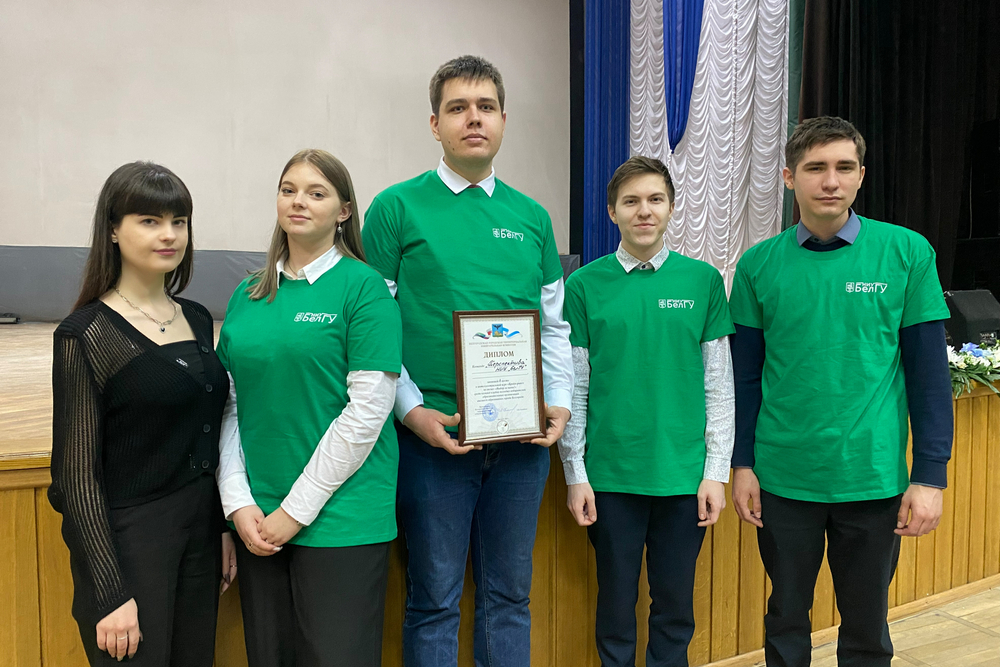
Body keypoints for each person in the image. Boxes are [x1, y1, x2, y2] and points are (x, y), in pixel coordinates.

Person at [361, 55, 574, 666]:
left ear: (504, 119)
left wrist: (558, 402)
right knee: (434, 601)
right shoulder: (395, 208)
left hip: (521, 445)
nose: (473, 119)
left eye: (485, 107)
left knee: (510, 597)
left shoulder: (532, 217)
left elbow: (553, 326)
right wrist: (411, 412)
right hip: (434, 442)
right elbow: (375, 330)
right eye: (457, 108)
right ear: (435, 124)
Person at [728, 116, 954, 667]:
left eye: (844, 167)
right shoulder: (758, 265)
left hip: (871, 478)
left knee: (867, 627)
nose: (830, 181)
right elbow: (745, 378)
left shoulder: (907, 253)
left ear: (860, 176)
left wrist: (930, 476)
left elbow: (929, 377)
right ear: (789, 177)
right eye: (815, 168)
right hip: (783, 479)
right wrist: (742, 464)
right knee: (785, 619)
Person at [216, 149, 402, 667]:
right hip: (259, 521)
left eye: (316, 193)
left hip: (341, 519)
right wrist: (237, 502)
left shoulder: (364, 289)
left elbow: (366, 414)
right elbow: (229, 406)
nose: (299, 201)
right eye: (288, 190)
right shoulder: (247, 294)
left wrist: (295, 511)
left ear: (344, 211)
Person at [49, 162, 235, 665]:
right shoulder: (86, 334)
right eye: (149, 221)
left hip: (198, 538)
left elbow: (203, 439)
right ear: (113, 229)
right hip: (130, 547)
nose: (169, 234)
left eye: (179, 221)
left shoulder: (196, 317)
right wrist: (109, 593)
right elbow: (75, 478)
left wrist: (219, 527)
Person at [559, 156, 734, 667]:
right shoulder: (583, 286)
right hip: (610, 479)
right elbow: (575, 387)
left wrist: (716, 472)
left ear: (672, 207)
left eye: (655, 199)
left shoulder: (703, 281)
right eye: (631, 201)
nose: (644, 211)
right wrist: (575, 473)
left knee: (675, 609)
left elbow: (719, 385)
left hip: (684, 477)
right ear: (612, 211)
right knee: (615, 607)